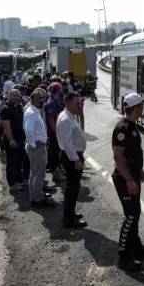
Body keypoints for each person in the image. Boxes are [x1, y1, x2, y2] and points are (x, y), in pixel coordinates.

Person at [112, 93, 144, 271]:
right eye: (141, 106)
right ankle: (124, 256)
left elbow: (131, 155)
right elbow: (118, 157)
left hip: (132, 177)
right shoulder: (123, 129)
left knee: (136, 213)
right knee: (130, 216)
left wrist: (139, 172)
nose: (143, 108)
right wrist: (129, 179)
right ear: (136, 108)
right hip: (124, 179)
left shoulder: (131, 126)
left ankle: (136, 247)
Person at [57, 92, 87, 228]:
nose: (79, 105)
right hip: (71, 157)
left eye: (80, 103)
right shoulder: (65, 120)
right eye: (77, 103)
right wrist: (76, 160)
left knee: (73, 187)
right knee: (72, 189)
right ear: (68, 103)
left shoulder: (70, 115)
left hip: (73, 155)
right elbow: (67, 143)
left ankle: (71, 213)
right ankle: (69, 220)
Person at [24, 89, 53, 207]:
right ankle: (37, 199)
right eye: (39, 98)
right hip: (36, 148)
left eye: (42, 98)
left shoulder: (34, 110)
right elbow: (28, 130)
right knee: (39, 174)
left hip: (37, 146)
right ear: (33, 99)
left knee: (34, 173)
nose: (42, 100)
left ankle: (35, 195)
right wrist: (35, 145)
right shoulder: (32, 113)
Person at [1, 88, 28, 192]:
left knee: (19, 161)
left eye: (18, 95)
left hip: (20, 138)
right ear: (9, 96)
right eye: (14, 95)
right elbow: (6, 127)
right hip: (11, 140)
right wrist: (11, 140)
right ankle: (12, 184)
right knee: (11, 162)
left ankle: (19, 180)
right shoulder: (6, 108)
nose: (16, 97)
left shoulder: (18, 106)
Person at [44, 82, 64, 181]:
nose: (61, 91)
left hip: (57, 130)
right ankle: (55, 173)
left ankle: (57, 169)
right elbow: (51, 120)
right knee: (55, 151)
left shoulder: (56, 100)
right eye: (60, 89)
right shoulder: (51, 103)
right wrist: (56, 134)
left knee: (57, 151)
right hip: (53, 132)